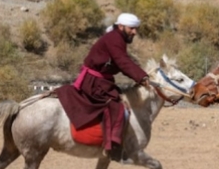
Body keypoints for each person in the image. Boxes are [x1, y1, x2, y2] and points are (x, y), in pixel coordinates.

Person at [56, 12, 149, 159]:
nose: (134, 32)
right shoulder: (114, 38)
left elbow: (123, 62)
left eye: (136, 28)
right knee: (116, 106)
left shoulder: (117, 38)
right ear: (121, 26)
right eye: (132, 28)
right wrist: (142, 77)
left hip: (101, 81)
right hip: (94, 82)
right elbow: (122, 62)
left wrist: (141, 74)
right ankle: (111, 145)